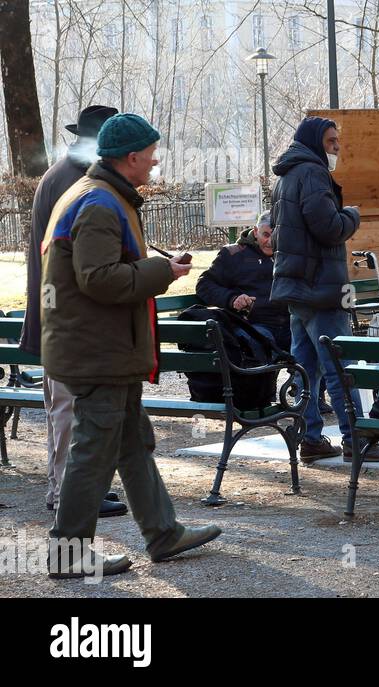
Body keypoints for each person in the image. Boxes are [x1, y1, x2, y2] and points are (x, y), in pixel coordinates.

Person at [42, 113, 221, 578]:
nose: (156, 161)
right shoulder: (100, 203)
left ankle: (163, 534)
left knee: (132, 443)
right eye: (152, 154)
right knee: (93, 449)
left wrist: (155, 268)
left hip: (104, 348)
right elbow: (98, 279)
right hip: (98, 351)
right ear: (132, 157)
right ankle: (67, 555)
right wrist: (164, 273)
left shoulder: (100, 196)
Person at [269, 116, 379, 463]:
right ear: (314, 143)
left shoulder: (286, 176)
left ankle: (310, 438)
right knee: (340, 367)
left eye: (338, 142)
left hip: (296, 288)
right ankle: (357, 439)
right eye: (330, 142)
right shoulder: (312, 173)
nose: (337, 148)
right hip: (322, 289)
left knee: (306, 367)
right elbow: (328, 227)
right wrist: (351, 215)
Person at [19, 104, 126, 519]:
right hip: (66, 317)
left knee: (64, 407)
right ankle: (68, 496)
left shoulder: (62, 172)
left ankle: (71, 490)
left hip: (55, 312)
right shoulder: (78, 179)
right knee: (68, 408)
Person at [197, 211, 290, 350]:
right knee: (261, 343)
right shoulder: (233, 254)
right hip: (252, 325)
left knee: (315, 339)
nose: (270, 241)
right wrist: (232, 299)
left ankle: (301, 372)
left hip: (289, 324)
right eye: (266, 235)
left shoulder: (290, 253)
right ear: (256, 231)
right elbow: (204, 285)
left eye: (276, 236)